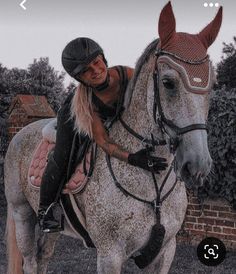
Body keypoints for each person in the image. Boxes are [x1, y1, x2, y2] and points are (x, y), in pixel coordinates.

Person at [38, 37, 168, 233]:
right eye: (85, 70)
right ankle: (44, 210)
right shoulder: (87, 101)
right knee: (63, 154)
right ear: (79, 78)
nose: (95, 70)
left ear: (104, 60)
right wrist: (133, 159)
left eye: (96, 62)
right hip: (73, 115)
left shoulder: (128, 75)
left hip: (112, 117)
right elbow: (103, 142)